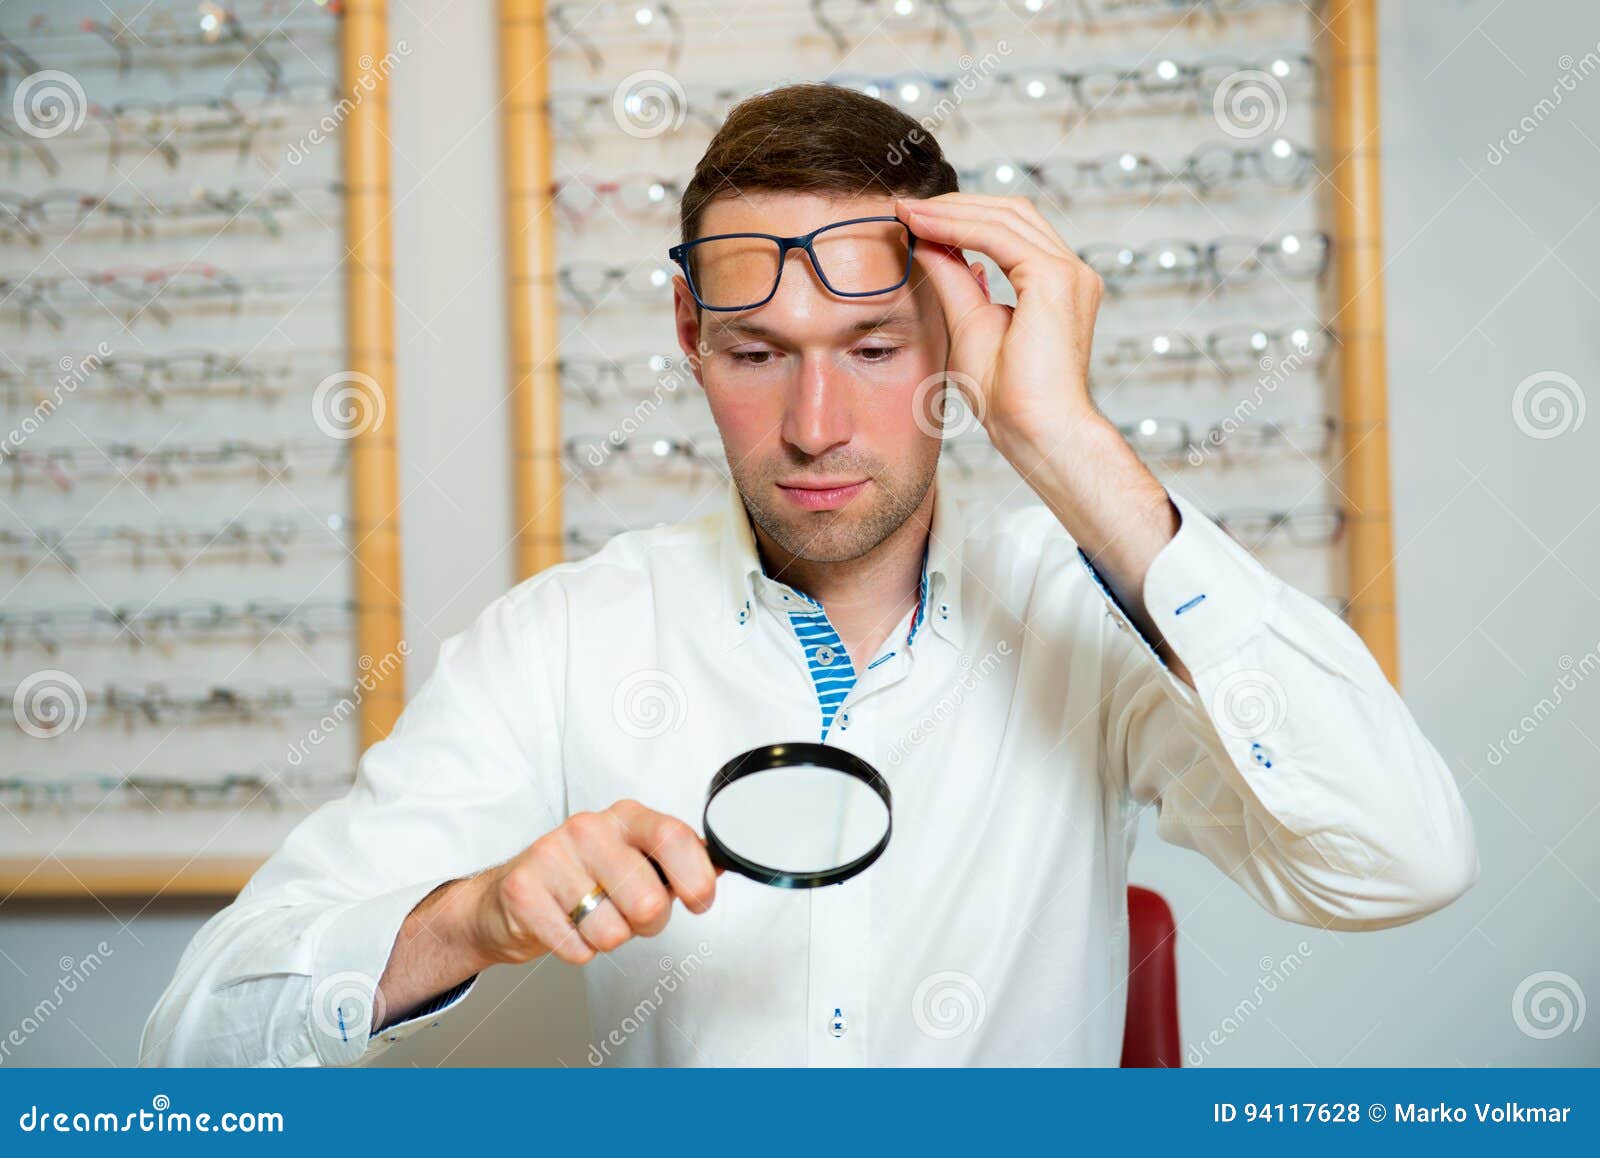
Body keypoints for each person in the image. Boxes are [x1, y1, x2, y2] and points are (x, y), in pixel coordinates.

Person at [142, 82, 1477, 1067]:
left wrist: (1069, 442)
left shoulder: (1075, 611)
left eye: (878, 349)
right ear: (689, 335)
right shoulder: (562, 639)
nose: (819, 423)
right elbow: (188, 1042)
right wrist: (471, 916)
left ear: (958, 342)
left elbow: (1403, 858)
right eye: (759, 352)